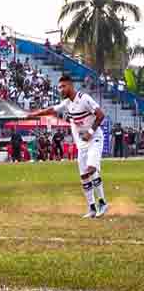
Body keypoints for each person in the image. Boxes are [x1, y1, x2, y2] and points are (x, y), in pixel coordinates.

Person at [28, 74, 108, 218]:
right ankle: (92, 207)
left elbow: (101, 115)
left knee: (91, 169)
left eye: (63, 86)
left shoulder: (84, 98)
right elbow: (51, 110)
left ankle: (102, 202)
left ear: (71, 85)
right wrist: (34, 114)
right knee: (84, 175)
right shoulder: (67, 103)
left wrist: (90, 132)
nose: (61, 89)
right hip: (83, 144)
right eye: (59, 87)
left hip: (95, 138)